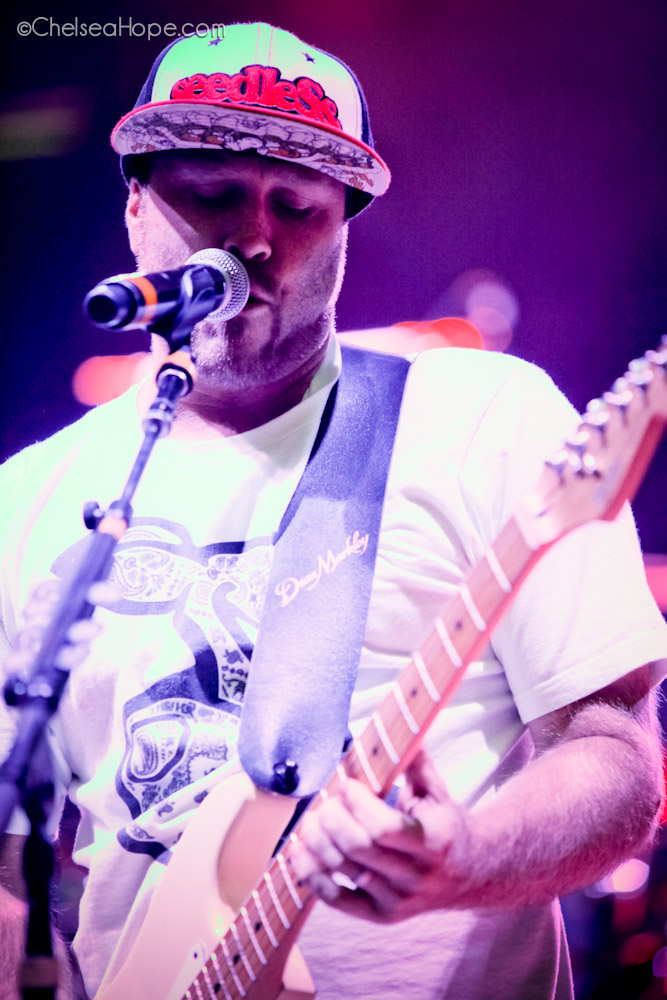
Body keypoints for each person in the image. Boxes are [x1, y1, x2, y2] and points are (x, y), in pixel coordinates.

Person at [1, 22, 666, 1000]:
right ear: (136, 204)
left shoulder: (482, 418)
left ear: (344, 233)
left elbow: (612, 755)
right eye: (213, 193)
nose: (254, 237)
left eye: (298, 206)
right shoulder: (30, 498)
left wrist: (466, 857)